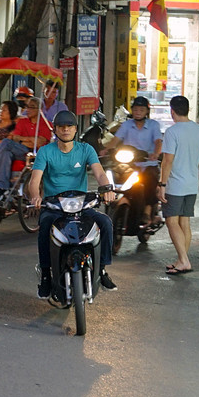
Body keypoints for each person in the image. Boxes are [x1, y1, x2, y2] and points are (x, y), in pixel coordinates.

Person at [27, 110, 117, 298]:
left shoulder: (86, 150)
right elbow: (35, 180)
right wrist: (35, 197)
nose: (65, 129)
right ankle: (45, 276)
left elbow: (99, 174)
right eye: (61, 126)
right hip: (54, 206)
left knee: (106, 223)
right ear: (56, 129)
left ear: (76, 129)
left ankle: (101, 270)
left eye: (69, 126)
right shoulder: (45, 151)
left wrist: (107, 189)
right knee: (44, 226)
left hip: (81, 205)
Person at [158, 95, 199, 275]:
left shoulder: (172, 132)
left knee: (171, 221)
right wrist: (198, 178)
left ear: (172, 111)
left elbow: (167, 161)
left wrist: (162, 183)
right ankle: (182, 259)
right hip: (192, 183)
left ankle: (184, 261)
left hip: (175, 184)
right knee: (184, 221)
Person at [105, 96, 163, 223]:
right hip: (128, 164)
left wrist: (155, 153)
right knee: (110, 175)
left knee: (150, 178)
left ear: (146, 111)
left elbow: (158, 141)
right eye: (135, 109)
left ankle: (147, 211)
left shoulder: (153, 125)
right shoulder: (126, 124)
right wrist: (105, 149)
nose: (138, 112)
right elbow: (116, 140)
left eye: (141, 110)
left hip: (147, 163)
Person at [0, 97, 53, 202]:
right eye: (27, 107)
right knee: (6, 152)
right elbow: (16, 137)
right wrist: (29, 140)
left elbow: (40, 142)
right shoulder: (23, 121)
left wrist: (24, 140)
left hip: (35, 154)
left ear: (40, 110)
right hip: (21, 149)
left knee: (6, 143)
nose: (28, 110)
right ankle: (2, 188)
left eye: (32, 107)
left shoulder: (45, 124)